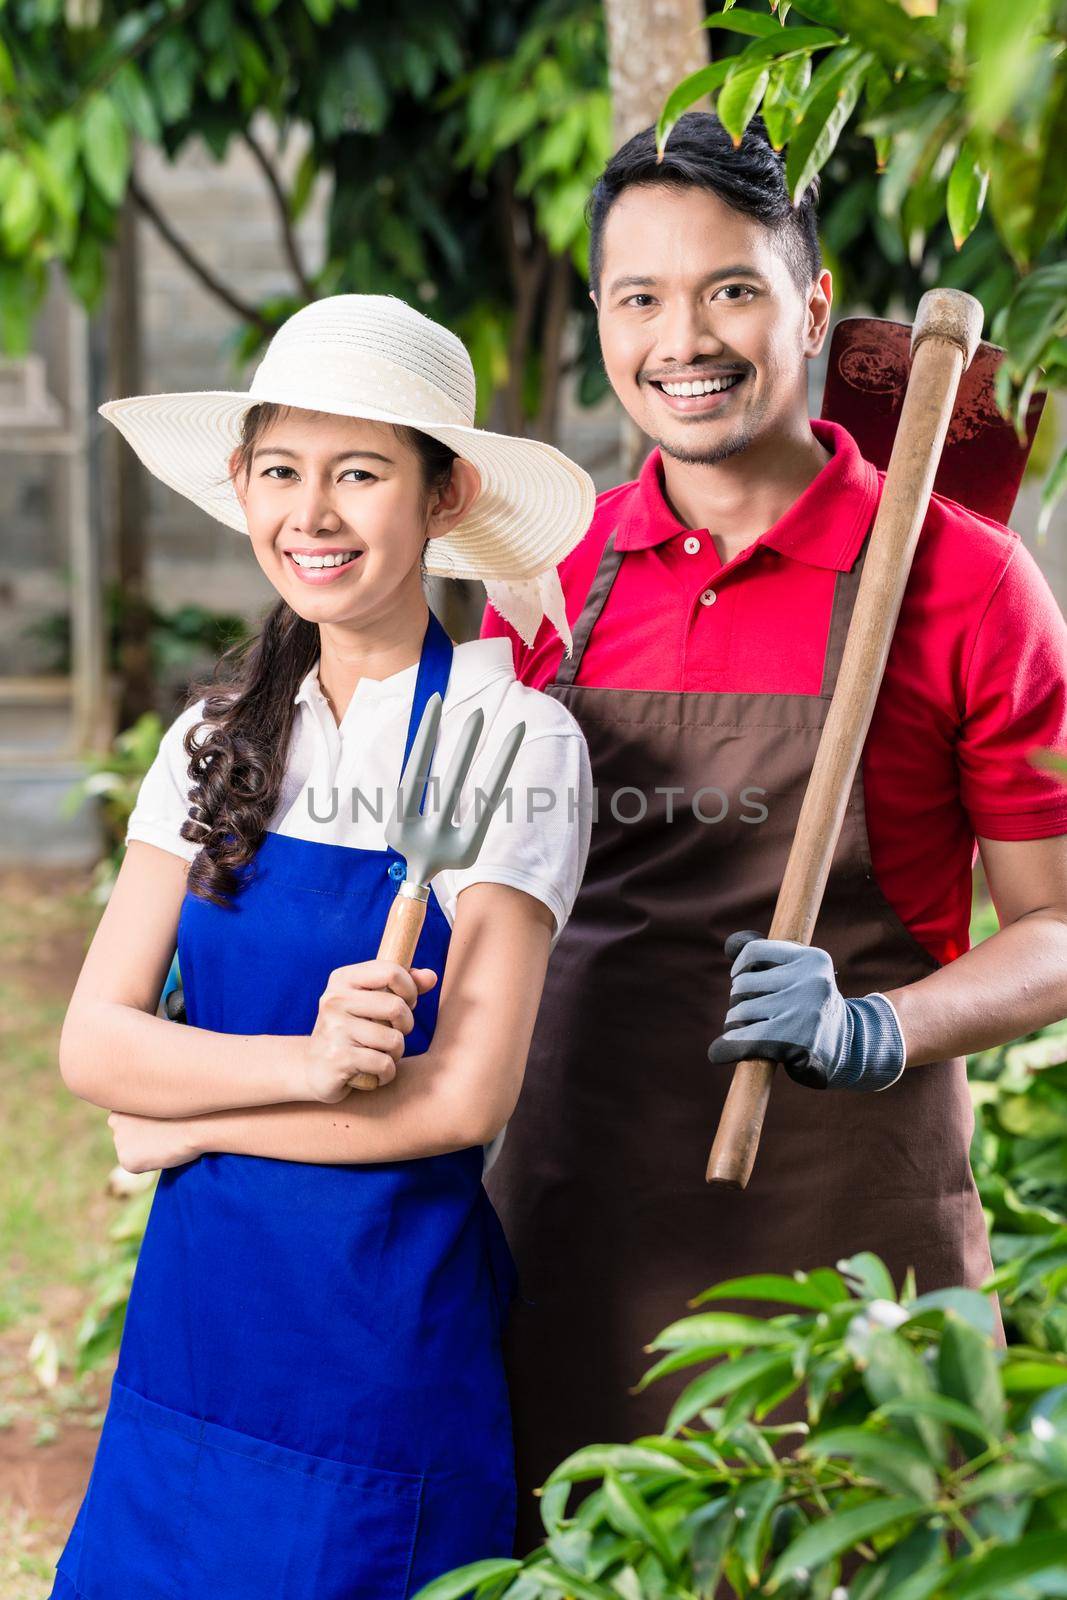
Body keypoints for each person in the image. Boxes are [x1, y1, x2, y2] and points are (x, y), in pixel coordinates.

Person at [480, 112, 1067, 1546]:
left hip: (848, 1256)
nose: (685, 338)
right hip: (576, 1219)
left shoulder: (962, 582)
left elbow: (1059, 927)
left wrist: (878, 1028)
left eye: (730, 289)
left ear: (808, 307)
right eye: (641, 299)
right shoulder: (550, 573)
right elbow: (473, 894)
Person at [48, 294, 594, 1599]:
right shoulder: (211, 740)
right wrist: (305, 1064)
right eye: (282, 472)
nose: (315, 514)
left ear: (445, 495)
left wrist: (182, 1117)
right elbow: (94, 1044)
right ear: (241, 486)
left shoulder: (510, 740)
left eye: (362, 474)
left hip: (384, 1344)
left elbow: (462, 1097)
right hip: (200, 1334)